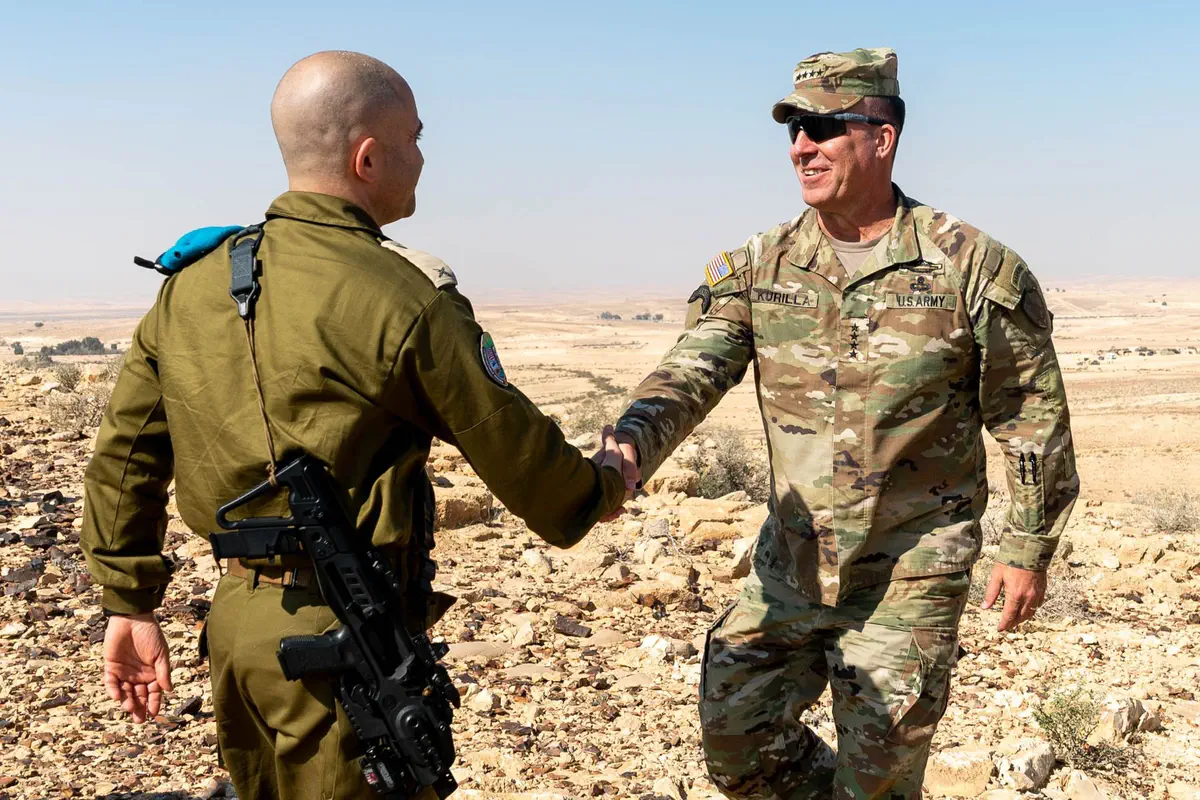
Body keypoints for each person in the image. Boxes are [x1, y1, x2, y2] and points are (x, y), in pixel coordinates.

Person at [81, 50, 630, 800]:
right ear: (367, 157)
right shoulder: (402, 296)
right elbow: (531, 471)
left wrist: (129, 604)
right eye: (415, 138)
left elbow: (125, 459)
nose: (423, 158)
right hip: (344, 639)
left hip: (236, 633)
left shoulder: (193, 286)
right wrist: (603, 484)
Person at [609, 48, 1079, 798]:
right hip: (790, 565)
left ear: (882, 138)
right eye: (794, 128)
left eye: (824, 127)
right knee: (736, 742)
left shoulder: (969, 266)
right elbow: (692, 369)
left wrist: (1028, 547)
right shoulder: (763, 264)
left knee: (878, 782)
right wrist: (631, 441)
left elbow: (1030, 417)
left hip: (908, 574)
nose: (802, 145)